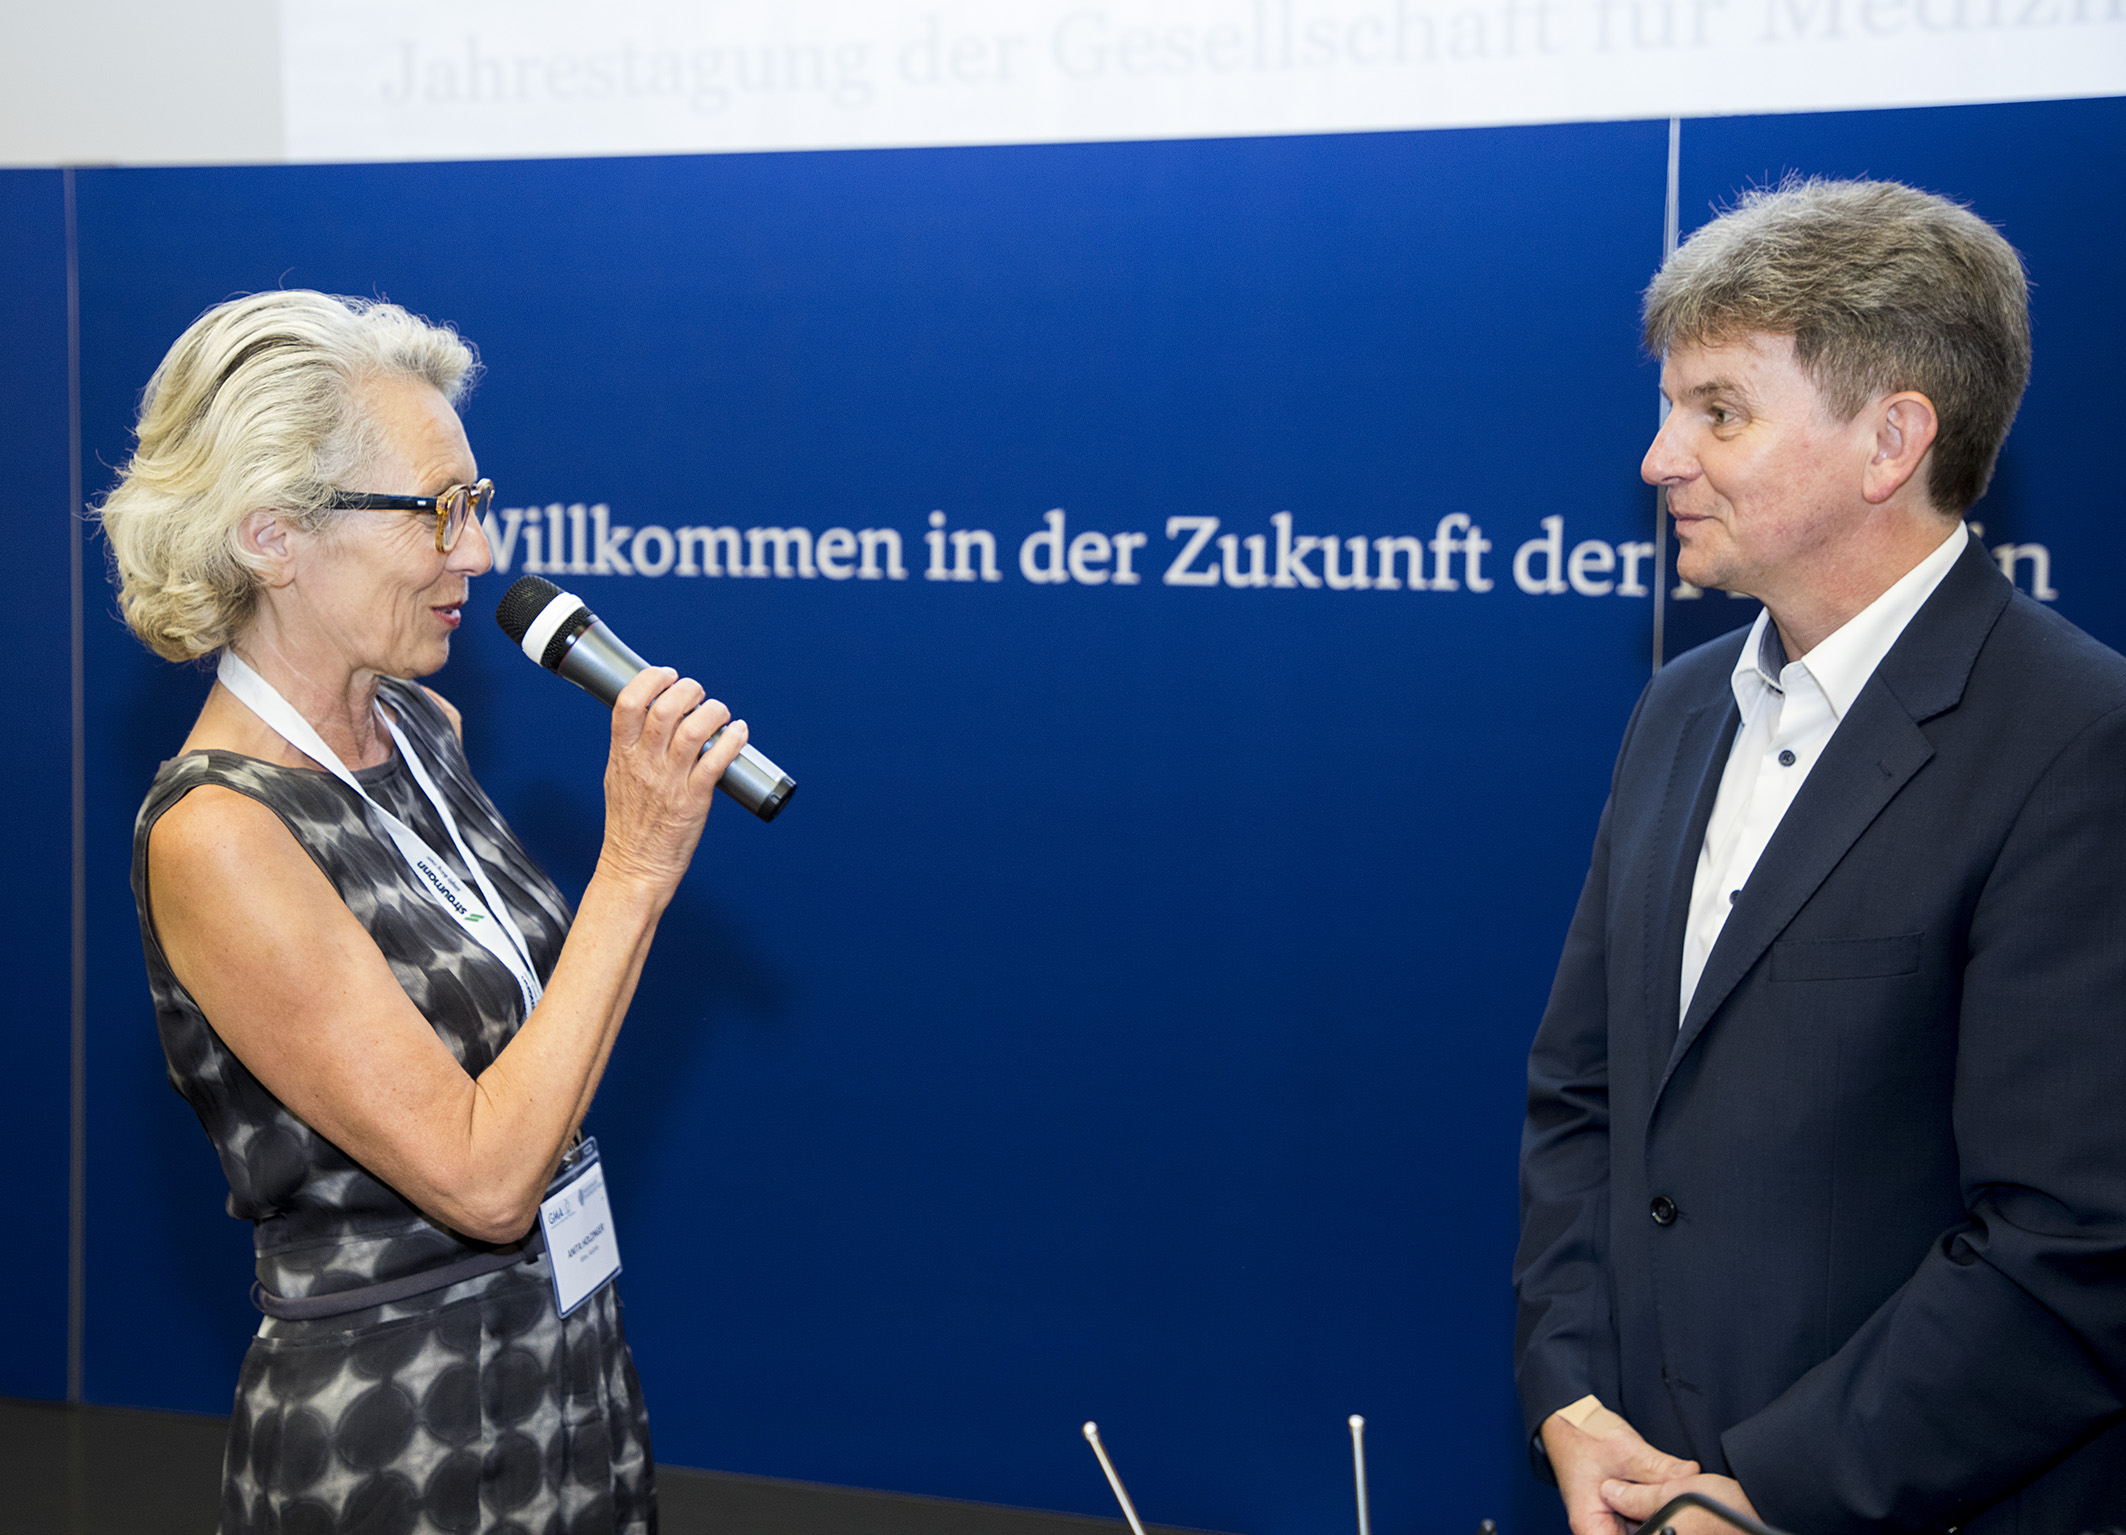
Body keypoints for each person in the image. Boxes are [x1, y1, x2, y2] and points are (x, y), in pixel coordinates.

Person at [1514, 180, 2126, 1535]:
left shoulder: (2079, 741)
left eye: (1717, 411)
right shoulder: (1677, 707)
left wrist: (1760, 1494)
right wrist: (1571, 1397)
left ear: (1888, 440)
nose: (1658, 458)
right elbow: (1583, 1095)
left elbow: (2073, 1240)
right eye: (1668, 406)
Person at [102, 290, 746, 1534]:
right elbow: (484, 1179)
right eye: (439, 510)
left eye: (477, 501)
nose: (478, 551)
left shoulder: (420, 727)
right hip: (398, 1431)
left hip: (565, 1364)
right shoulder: (219, 835)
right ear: (273, 535)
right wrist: (634, 865)